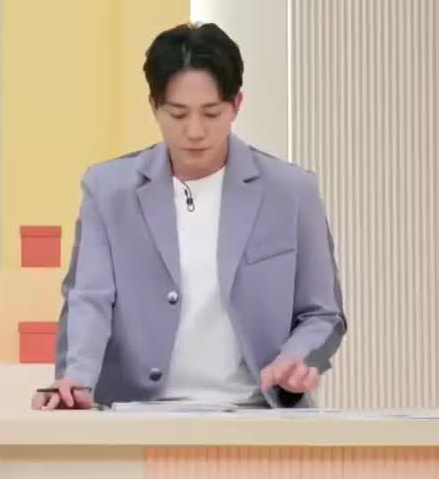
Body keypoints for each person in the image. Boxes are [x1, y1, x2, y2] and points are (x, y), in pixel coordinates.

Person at [36, 22, 346, 411]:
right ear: (154, 106)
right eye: (178, 114)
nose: (195, 131)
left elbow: (322, 313)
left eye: (211, 113)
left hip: (257, 413)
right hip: (136, 416)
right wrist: (77, 378)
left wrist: (297, 358)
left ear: (236, 105)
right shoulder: (108, 190)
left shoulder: (292, 191)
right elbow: (89, 299)